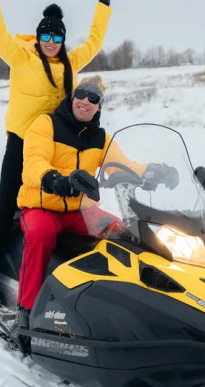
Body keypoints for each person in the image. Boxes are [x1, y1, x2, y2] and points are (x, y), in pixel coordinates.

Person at [0, 0, 112, 305]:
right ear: (38, 35)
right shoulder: (21, 56)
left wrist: (103, 6)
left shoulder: (70, 63)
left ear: (62, 39)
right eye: (45, 34)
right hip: (21, 143)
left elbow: (94, 42)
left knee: (65, 209)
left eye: (56, 36)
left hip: (57, 143)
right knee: (7, 206)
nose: (50, 40)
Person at [12, 75, 179, 337]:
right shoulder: (47, 124)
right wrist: (53, 178)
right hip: (42, 206)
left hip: (81, 212)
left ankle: (130, 303)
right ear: (73, 97)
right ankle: (25, 310)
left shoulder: (101, 138)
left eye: (94, 98)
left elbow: (123, 167)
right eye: (81, 94)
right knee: (40, 235)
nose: (85, 102)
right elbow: (34, 159)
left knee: (123, 233)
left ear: (99, 106)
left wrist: (153, 171)